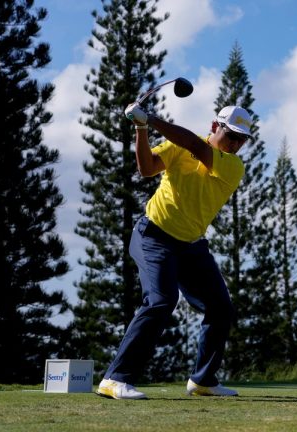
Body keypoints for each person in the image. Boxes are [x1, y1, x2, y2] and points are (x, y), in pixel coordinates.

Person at [96, 101, 253, 400]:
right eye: (231, 135)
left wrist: (149, 118)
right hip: (153, 235)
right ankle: (114, 379)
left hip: (192, 246)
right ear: (214, 127)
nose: (236, 143)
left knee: (220, 308)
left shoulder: (233, 165)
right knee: (161, 300)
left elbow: (194, 144)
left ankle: (203, 380)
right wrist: (140, 129)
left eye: (241, 139)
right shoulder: (178, 146)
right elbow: (146, 169)